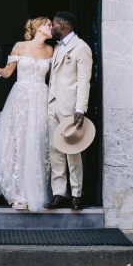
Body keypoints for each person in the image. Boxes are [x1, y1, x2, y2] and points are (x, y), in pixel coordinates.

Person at [0, 17, 55, 211]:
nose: (51, 27)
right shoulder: (20, 46)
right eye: (47, 24)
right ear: (38, 28)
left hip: (41, 99)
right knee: (18, 143)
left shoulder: (50, 50)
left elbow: (54, 79)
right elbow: (7, 73)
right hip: (21, 100)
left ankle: (36, 192)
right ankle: (19, 194)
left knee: (38, 143)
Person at [45, 11, 93, 211]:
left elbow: (84, 80)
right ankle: (58, 193)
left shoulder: (81, 48)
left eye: (53, 24)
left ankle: (76, 194)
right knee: (55, 149)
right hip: (53, 104)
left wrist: (80, 108)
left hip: (71, 107)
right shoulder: (56, 47)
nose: (51, 28)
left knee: (72, 151)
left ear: (62, 26)